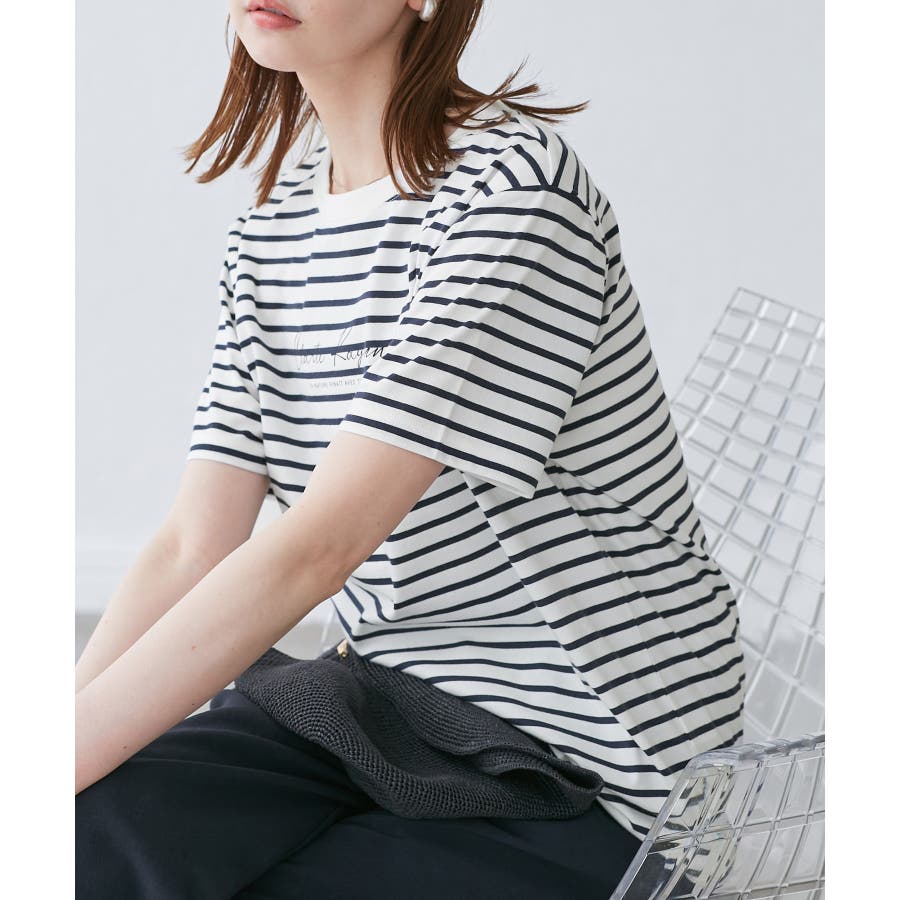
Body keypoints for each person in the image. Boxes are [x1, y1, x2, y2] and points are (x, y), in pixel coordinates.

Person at [75, 1, 747, 897]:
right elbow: (193, 546)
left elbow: (320, 547)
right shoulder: (273, 228)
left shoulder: (513, 194)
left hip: (589, 762)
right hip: (384, 703)